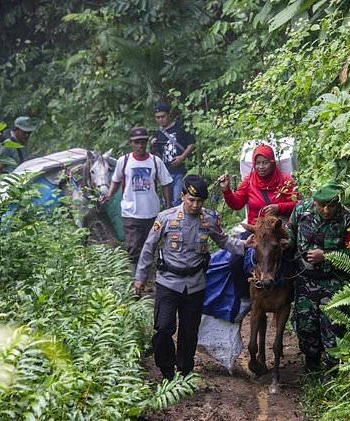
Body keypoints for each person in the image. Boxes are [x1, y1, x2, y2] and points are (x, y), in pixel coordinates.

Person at [134, 175, 253, 380]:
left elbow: (223, 241)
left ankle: (184, 372)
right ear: (182, 196)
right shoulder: (166, 218)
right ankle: (167, 370)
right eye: (191, 200)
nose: (195, 205)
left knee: (189, 332)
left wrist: (244, 245)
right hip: (168, 282)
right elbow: (148, 248)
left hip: (195, 284)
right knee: (163, 328)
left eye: (199, 201)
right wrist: (140, 277)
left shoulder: (208, 220)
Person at [286, 181, 350, 373]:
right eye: (322, 206)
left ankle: (331, 374)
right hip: (305, 280)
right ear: (314, 203)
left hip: (334, 282)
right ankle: (312, 369)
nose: (326, 210)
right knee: (305, 329)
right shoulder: (301, 211)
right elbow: (290, 237)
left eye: (332, 206)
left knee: (333, 331)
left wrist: (326, 255)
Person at [217, 144, 299, 310]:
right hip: (256, 230)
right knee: (235, 261)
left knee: (294, 258)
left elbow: (298, 203)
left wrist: (279, 207)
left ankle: (293, 297)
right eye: (258, 163)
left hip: (278, 230)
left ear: (273, 162)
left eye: (265, 162)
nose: (261, 167)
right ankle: (245, 297)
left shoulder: (285, 181)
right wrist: (226, 191)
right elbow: (237, 203)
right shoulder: (249, 181)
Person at [99, 127, 172, 272]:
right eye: (136, 142)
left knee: (150, 246)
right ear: (131, 143)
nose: (140, 145)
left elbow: (166, 183)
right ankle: (135, 279)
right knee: (133, 247)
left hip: (151, 212)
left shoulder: (155, 162)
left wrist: (168, 206)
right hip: (130, 212)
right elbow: (116, 180)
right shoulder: (124, 161)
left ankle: (148, 276)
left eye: (143, 142)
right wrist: (109, 196)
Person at [149, 102, 195, 207]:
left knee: (178, 200)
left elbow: (191, 144)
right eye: (157, 117)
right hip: (165, 172)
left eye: (163, 116)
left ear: (169, 115)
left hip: (180, 170)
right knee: (167, 202)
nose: (160, 119)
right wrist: (153, 145)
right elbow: (155, 155)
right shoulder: (158, 133)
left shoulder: (180, 127)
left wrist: (182, 157)